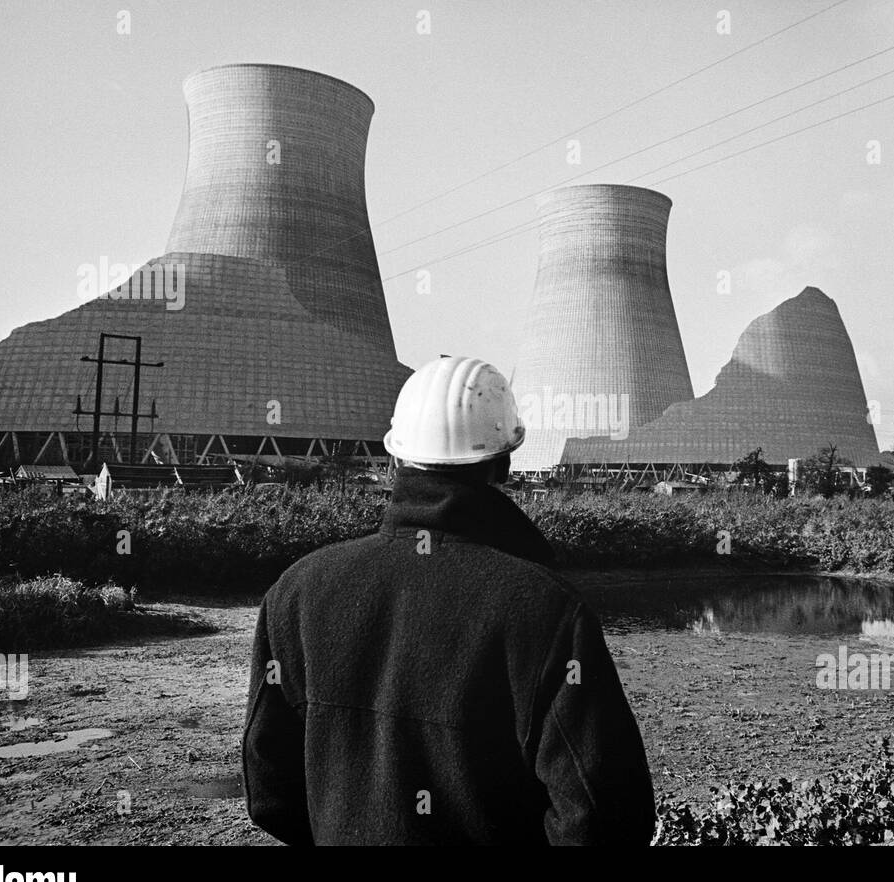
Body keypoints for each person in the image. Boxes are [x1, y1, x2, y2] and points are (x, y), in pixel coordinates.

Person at [242, 355, 655, 845]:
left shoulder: (298, 591)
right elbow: (605, 812)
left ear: (395, 459)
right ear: (504, 463)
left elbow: (269, 790)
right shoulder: (545, 609)